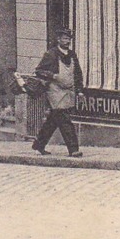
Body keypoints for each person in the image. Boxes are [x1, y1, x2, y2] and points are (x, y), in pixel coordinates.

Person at [32, 27, 84, 158]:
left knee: (53, 120)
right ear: (58, 39)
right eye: (65, 39)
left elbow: (77, 73)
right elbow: (39, 71)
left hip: (68, 90)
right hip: (55, 90)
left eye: (69, 39)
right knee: (64, 117)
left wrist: (80, 91)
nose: (67, 41)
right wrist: (53, 76)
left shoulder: (72, 55)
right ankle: (73, 149)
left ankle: (39, 145)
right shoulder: (51, 54)